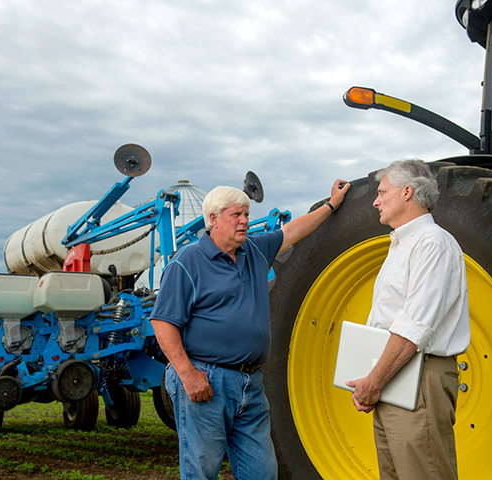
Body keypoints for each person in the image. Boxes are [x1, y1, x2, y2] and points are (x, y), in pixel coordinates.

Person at [150, 179, 349, 480]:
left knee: (262, 472)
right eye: (236, 215)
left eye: (246, 214)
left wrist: (331, 205)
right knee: (201, 471)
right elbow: (163, 322)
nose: (245, 221)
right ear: (213, 219)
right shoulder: (189, 261)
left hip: (251, 382)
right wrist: (188, 375)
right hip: (207, 379)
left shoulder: (254, 250)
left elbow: (293, 230)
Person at [346, 160, 470, 480]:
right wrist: (377, 378)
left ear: (407, 192)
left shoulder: (433, 243)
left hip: (419, 377)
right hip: (394, 375)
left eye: (381, 192)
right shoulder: (402, 244)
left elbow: (415, 326)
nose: (376, 200)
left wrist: (374, 380)